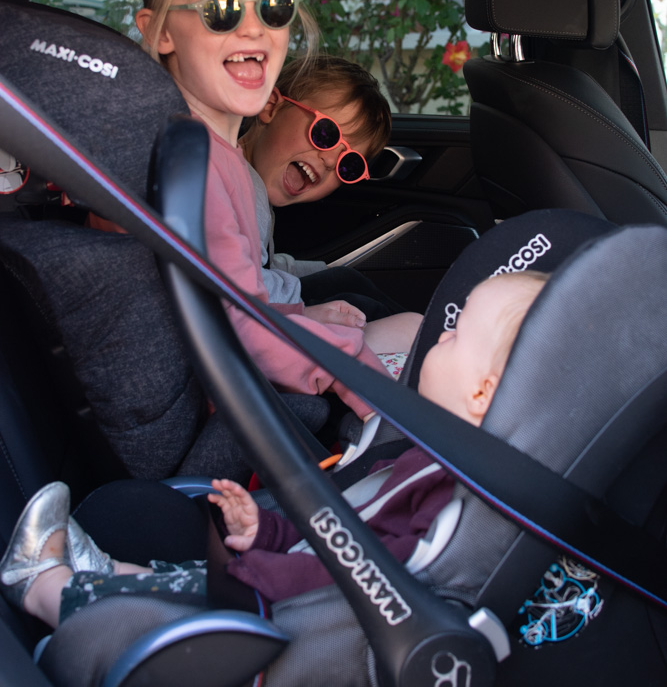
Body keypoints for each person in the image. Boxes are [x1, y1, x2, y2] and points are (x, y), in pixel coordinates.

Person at [0, 270, 548, 630]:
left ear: (481, 392)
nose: (439, 337)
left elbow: (369, 580)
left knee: (184, 595)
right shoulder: (434, 465)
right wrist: (267, 534)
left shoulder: (450, 506)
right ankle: (100, 572)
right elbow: (347, 529)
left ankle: (47, 589)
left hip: (290, 615)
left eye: (454, 337)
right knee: (180, 577)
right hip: (292, 580)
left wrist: (257, 572)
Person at [133, 0, 421, 418]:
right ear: (162, 32)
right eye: (221, 9)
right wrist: (364, 384)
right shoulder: (192, 166)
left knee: (410, 329)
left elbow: (242, 293)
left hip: (249, 377)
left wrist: (303, 311)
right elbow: (237, 322)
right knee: (416, 334)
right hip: (237, 402)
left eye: (273, 7)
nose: (252, 29)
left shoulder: (211, 156)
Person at [240, 54, 408, 324]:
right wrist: (307, 310)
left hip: (265, 301)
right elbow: (242, 285)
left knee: (345, 278)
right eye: (325, 134)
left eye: (349, 164)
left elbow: (264, 264)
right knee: (360, 307)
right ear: (270, 107)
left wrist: (322, 270)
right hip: (260, 316)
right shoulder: (238, 187)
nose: (330, 161)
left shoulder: (252, 185)